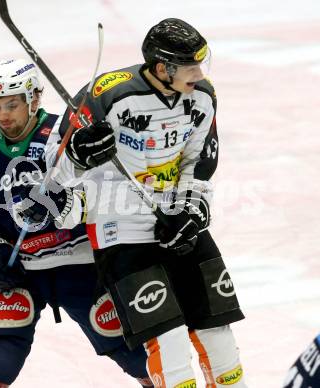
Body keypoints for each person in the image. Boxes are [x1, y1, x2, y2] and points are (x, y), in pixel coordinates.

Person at [46, 18, 247, 387]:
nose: (199, 74)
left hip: (176, 219)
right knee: (168, 346)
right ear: (161, 68)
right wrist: (79, 153)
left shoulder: (203, 94)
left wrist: (191, 211)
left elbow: (199, 160)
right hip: (119, 226)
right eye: (190, 66)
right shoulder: (106, 94)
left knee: (219, 337)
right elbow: (54, 170)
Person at [0, 59, 153, 387]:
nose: (3, 115)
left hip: (82, 266)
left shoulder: (64, 136)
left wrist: (63, 204)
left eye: (12, 104)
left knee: (134, 354)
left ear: (33, 99)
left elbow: (106, 195)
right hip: (17, 268)